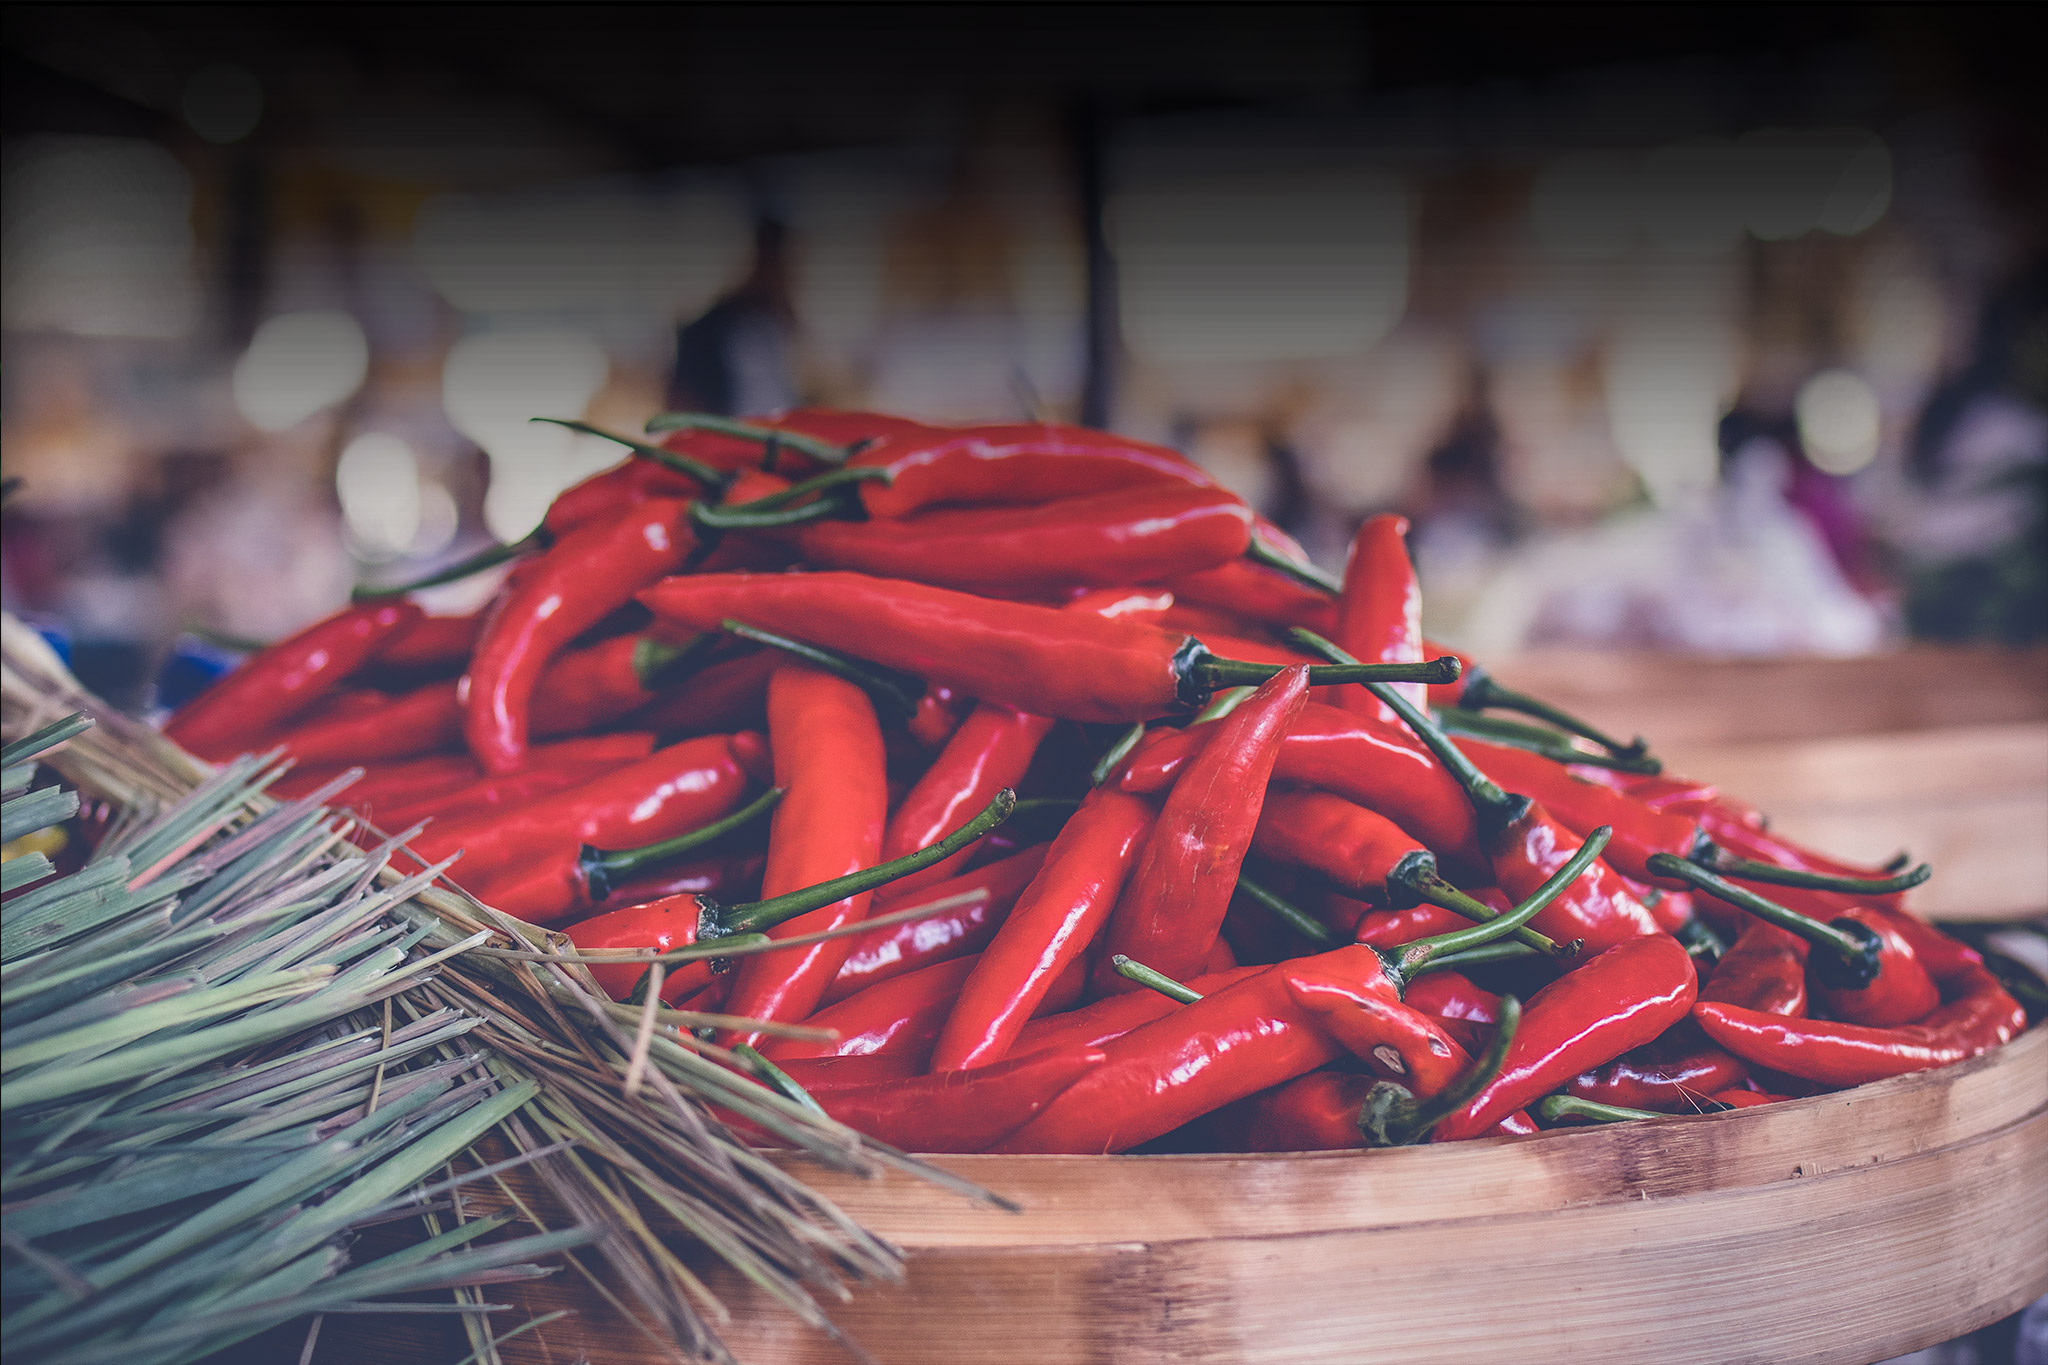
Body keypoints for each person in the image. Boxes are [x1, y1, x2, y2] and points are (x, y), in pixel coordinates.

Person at [666, 216, 799, 417]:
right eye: (778, 263)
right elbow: (682, 400)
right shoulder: (706, 331)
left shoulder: (780, 327)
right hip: (729, 432)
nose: (786, 275)